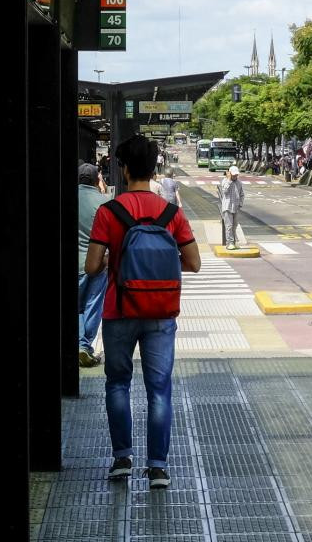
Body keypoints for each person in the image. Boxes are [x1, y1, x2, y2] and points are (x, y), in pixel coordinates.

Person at [84, 135, 201, 488]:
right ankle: (158, 468)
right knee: (159, 389)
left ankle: (122, 459)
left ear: (123, 168)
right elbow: (193, 262)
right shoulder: (171, 214)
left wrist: (112, 259)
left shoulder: (109, 211)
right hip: (161, 312)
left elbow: (91, 267)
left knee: (118, 384)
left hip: (119, 310)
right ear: (154, 170)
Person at [77, 163, 110, 367]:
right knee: (93, 305)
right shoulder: (104, 202)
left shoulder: (65, 198)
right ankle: (84, 345)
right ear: (96, 179)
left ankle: (80, 345)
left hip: (73, 263)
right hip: (98, 262)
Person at [217, 166, 245, 250]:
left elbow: (242, 194)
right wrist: (229, 180)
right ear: (229, 174)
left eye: (236, 175)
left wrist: (240, 204)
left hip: (236, 207)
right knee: (229, 226)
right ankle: (229, 243)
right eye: (233, 175)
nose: (235, 176)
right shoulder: (225, 181)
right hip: (227, 207)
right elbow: (225, 191)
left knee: (234, 225)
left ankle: (233, 243)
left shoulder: (239, 183)